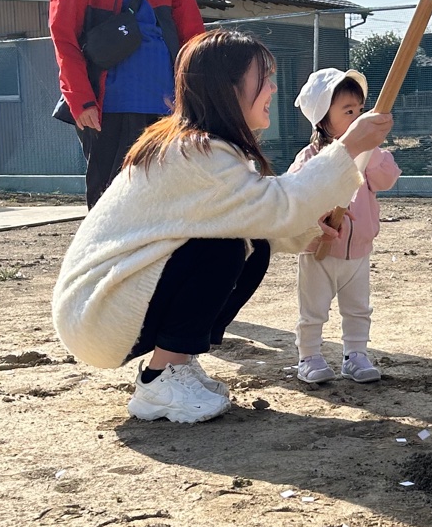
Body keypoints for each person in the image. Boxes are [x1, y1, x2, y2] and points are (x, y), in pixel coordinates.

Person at [51, 31, 393, 424]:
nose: (272, 88)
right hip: (99, 312)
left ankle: (174, 362)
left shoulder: (201, 146)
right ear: (227, 88)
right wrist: (348, 148)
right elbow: (277, 205)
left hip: (106, 304)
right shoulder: (195, 153)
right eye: (262, 79)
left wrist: (310, 230)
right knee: (222, 248)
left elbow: (262, 217)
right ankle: (161, 376)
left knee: (251, 244)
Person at [49, 0, 206, 208]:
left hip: (168, 105)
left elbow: (194, 35)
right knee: (113, 203)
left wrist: (200, 95)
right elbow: (64, 38)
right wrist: (81, 99)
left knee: (170, 203)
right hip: (109, 106)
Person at [289, 68, 401, 384]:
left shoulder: (368, 155)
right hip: (318, 250)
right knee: (313, 309)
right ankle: (309, 356)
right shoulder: (310, 157)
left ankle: (355, 355)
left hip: (358, 250)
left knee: (358, 308)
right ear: (323, 120)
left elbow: (388, 178)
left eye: (359, 110)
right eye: (348, 111)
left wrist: (374, 149)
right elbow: (298, 196)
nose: (357, 117)